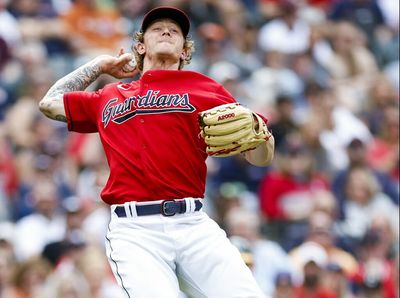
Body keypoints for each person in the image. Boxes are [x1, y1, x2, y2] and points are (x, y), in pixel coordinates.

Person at [38, 6, 274, 298]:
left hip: (194, 224)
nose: (166, 31)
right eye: (157, 28)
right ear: (140, 45)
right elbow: (50, 103)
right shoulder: (111, 95)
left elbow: (258, 155)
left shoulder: (205, 88)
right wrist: (99, 65)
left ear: (185, 51)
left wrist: (262, 139)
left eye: (174, 31)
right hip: (136, 231)